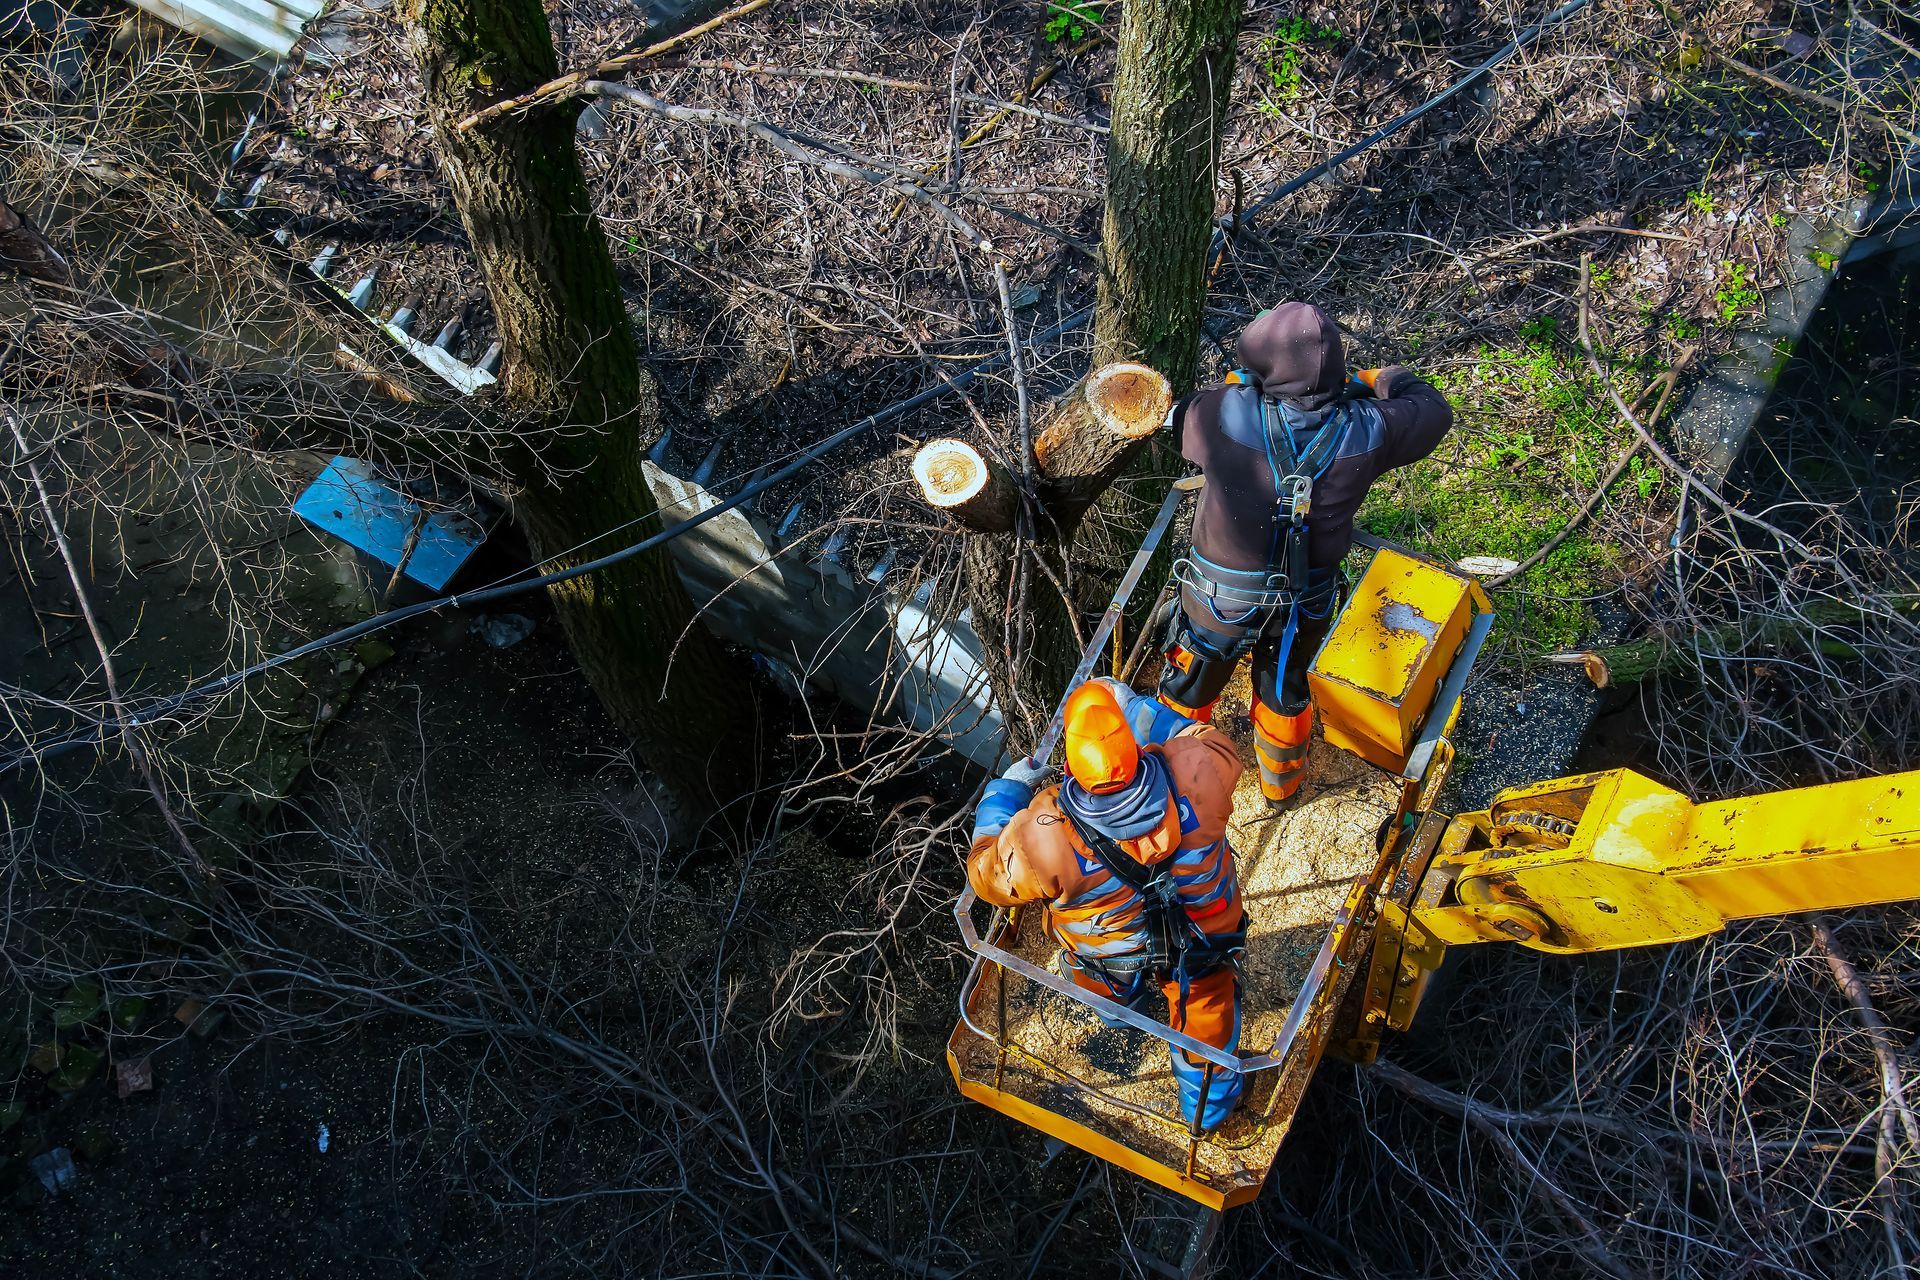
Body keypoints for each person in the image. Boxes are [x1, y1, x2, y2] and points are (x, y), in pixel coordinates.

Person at [1157, 301, 1454, 805]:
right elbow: (1434, 411)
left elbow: (1173, 416)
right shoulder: (1370, 428)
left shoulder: (1221, 414)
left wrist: (1239, 388)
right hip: (1302, 603)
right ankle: (1281, 786)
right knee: (1283, 692)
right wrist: (1384, 378)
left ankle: (1179, 783)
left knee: (1190, 685)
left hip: (1216, 602)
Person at [967, 678, 1249, 1131]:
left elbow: (985, 875)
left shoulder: (1042, 835)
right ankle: (1206, 1116)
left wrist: (1007, 793)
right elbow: (1210, 743)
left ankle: (1122, 1017)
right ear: (1133, 749)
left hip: (1110, 948)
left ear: (1072, 768)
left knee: (1102, 982)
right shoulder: (1197, 766)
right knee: (1208, 1025)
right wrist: (1136, 708)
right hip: (1203, 936)